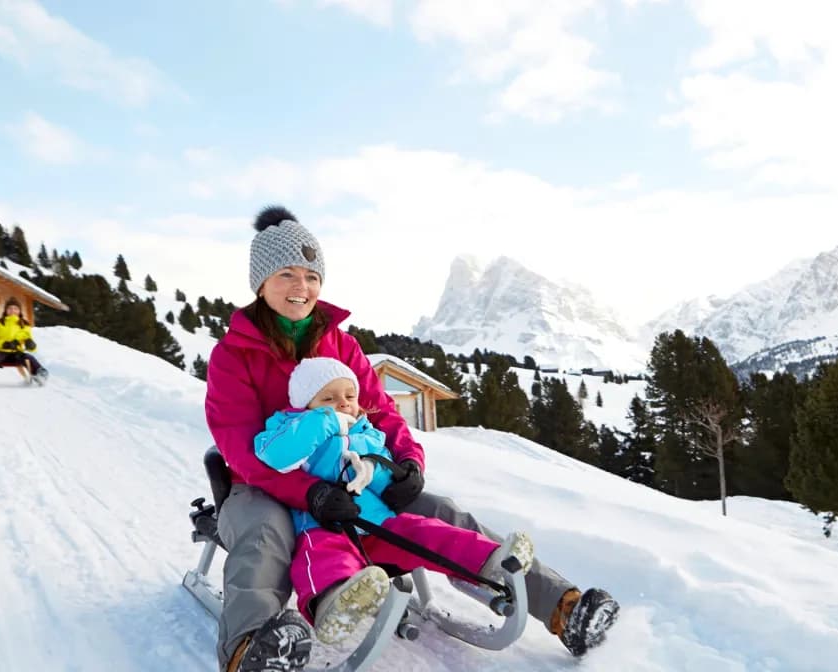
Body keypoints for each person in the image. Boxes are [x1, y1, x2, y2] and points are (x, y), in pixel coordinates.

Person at [205, 206, 618, 672]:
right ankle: (249, 650)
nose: (301, 286)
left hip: (353, 477)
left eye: (311, 276)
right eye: (286, 274)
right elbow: (241, 447)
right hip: (263, 484)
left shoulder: (341, 345)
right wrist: (309, 491)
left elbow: (381, 412)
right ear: (261, 283)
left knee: (442, 512)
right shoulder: (233, 355)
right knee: (265, 535)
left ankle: (563, 607)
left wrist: (407, 462)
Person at [254, 356, 534, 645]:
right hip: (321, 524)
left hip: (376, 522)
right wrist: (326, 419)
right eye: (328, 398)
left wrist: (375, 470)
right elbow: (275, 456)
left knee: (422, 531)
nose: (343, 404)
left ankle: (489, 560)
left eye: (349, 396)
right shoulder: (291, 425)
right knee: (323, 557)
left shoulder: (365, 431)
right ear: (304, 403)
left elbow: (386, 475)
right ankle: (335, 605)